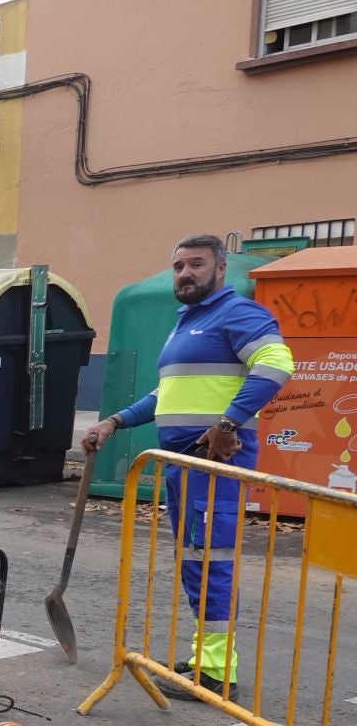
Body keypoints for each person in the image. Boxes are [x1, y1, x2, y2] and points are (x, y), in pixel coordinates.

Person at [82, 234, 293, 695]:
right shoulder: (187, 322)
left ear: (220, 269)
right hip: (184, 465)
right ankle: (207, 658)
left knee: (210, 561)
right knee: (197, 562)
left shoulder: (237, 313)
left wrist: (228, 422)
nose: (185, 273)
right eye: (178, 266)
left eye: (196, 264)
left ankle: (216, 672)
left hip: (211, 465)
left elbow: (276, 365)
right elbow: (167, 396)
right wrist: (115, 421)